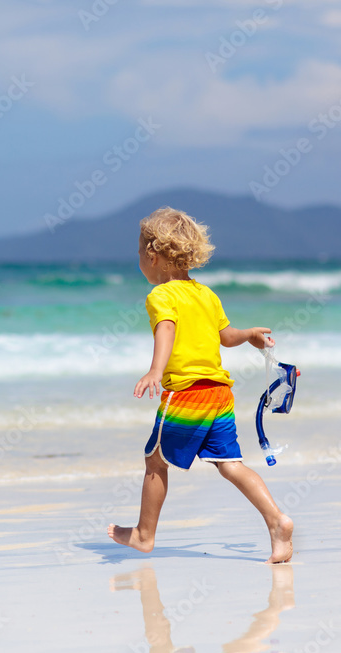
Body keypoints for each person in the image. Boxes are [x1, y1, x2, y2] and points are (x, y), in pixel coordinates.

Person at [108, 207, 294, 563]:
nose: (139, 262)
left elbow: (166, 329)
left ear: (153, 254)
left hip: (188, 394)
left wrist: (154, 370)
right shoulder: (206, 295)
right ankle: (277, 521)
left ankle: (145, 535)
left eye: (138, 254)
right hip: (219, 395)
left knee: (155, 461)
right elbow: (226, 336)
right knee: (231, 464)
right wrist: (250, 335)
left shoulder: (161, 296)